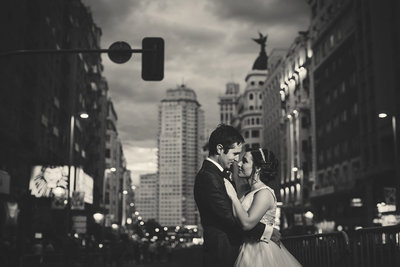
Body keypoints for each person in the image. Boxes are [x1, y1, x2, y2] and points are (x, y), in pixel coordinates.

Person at [194, 124, 281, 267]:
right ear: (220, 149)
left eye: (241, 158)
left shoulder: (218, 175)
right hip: (222, 252)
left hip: (242, 252)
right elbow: (228, 216)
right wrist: (265, 231)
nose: (236, 160)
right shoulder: (208, 176)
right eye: (234, 154)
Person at [224, 147, 302, 267]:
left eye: (244, 161)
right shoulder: (247, 192)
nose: (239, 163)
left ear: (258, 168)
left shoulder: (264, 193)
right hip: (246, 249)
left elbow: (247, 223)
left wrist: (233, 196)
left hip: (261, 252)